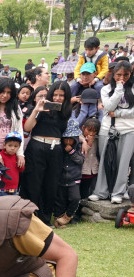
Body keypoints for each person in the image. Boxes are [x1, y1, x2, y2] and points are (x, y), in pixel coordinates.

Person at [21, 81, 72, 223]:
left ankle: (45, 219)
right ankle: (31, 217)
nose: (57, 98)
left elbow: (71, 129)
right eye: (55, 94)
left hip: (56, 149)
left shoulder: (67, 111)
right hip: (37, 147)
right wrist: (37, 109)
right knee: (34, 184)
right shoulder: (41, 108)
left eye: (61, 95)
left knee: (51, 184)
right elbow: (27, 127)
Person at [89, 61, 134, 204]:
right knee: (105, 160)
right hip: (107, 129)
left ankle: (118, 192)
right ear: (113, 74)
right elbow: (109, 106)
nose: (122, 78)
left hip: (129, 129)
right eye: (118, 75)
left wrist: (119, 113)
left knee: (123, 162)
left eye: (125, 75)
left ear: (130, 74)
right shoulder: (106, 89)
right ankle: (101, 191)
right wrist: (119, 89)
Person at [53, 119, 84, 228]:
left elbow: (81, 161)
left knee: (75, 198)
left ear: (75, 139)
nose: (68, 142)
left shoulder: (79, 148)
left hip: (74, 179)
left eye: (71, 139)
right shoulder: (59, 148)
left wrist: (71, 152)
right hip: (61, 179)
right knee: (59, 200)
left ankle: (68, 216)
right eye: (66, 139)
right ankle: (58, 219)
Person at [79, 117, 101, 201]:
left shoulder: (97, 139)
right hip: (83, 170)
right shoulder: (80, 139)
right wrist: (89, 143)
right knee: (80, 192)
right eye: (89, 130)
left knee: (87, 192)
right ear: (83, 128)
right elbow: (83, 153)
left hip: (93, 169)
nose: (91, 133)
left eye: (94, 131)